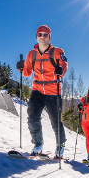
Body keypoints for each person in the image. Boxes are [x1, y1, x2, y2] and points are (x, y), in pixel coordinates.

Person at [16, 25, 68, 158]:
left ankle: (60, 145)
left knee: (55, 121)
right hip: (37, 90)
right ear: (36, 36)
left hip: (53, 90)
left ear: (49, 37)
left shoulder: (57, 51)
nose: (43, 37)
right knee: (32, 116)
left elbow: (63, 64)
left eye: (46, 35)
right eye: (40, 34)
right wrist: (21, 68)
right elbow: (27, 72)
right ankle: (38, 144)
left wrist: (60, 70)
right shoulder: (31, 54)